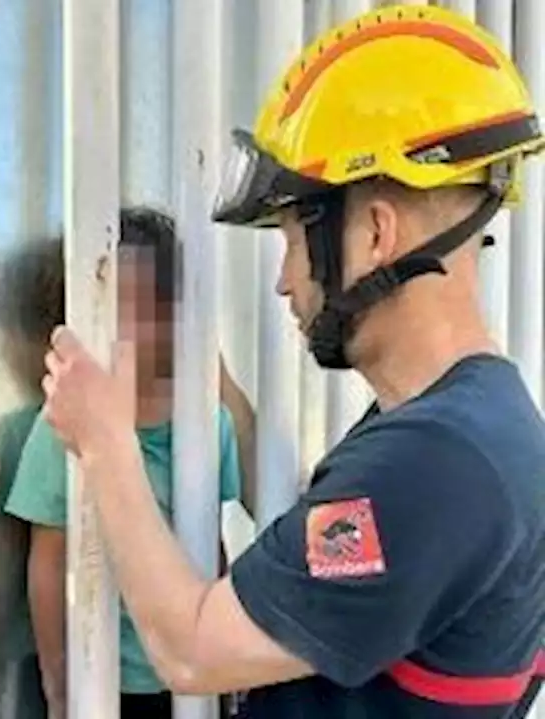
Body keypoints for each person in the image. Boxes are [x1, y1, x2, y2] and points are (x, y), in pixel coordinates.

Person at [42, 7, 545, 717]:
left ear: (374, 233)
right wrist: (207, 378)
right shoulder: (471, 423)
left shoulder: (437, 464)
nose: (285, 279)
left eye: (294, 240)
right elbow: (329, 542)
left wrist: (103, 443)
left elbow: (191, 649)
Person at [1, 210, 255, 719]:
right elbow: (46, 561)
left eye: (152, 305)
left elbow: (214, 542)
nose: (135, 325)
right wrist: (57, 678)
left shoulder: (208, 422)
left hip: (186, 670)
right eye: (118, 306)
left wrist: (225, 654)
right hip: (101, 675)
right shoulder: (61, 425)